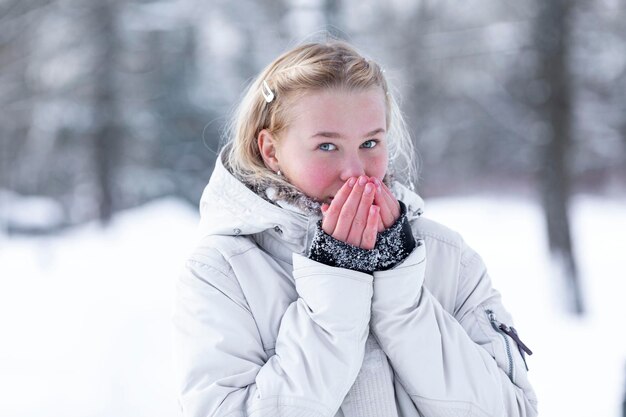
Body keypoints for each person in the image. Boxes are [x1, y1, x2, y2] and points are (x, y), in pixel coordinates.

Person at [172, 40, 538, 417]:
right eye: (327, 146)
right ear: (270, 150)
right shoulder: (223, 272)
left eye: (369, 142)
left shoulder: (445, 255)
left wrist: (402, 297)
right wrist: (336, 284)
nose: (355, 171)